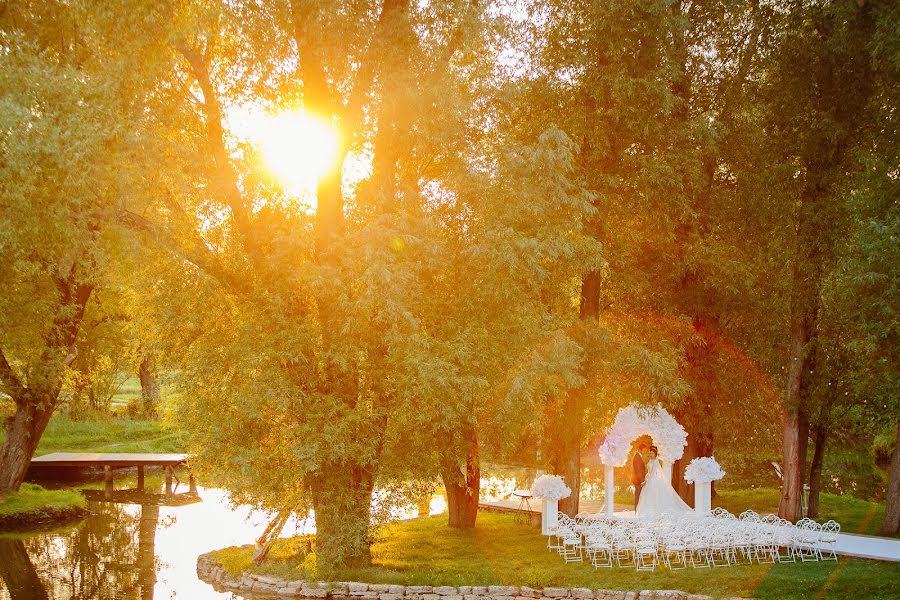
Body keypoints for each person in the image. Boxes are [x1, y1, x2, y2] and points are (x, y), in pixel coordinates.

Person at [636, 445, 691, 518]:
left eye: (652, 453)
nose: (651, 455)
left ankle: (655, 511)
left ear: (655, 454)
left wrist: (646, 481)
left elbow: (652, 473)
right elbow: (649, 472)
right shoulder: (650, 461)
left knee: (654, 495)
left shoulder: (656, 461)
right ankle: (649, 510)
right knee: (648, 496)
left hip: (652, 480)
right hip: (649, 479)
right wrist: (646, 478)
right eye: (650, 453)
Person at [631, 443, 647, 509]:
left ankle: (638, 510)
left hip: (637, 480)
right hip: (638, 481)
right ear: (641, 449)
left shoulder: (638, 456)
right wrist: (642, 481)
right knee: (638, 496)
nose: (645, 451)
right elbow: (639, 470)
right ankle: (637, 511)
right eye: (645, 449)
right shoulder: (637, 457)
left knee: (639, 496)